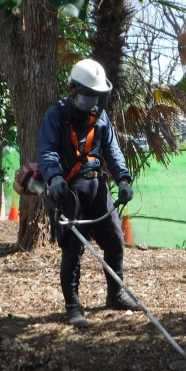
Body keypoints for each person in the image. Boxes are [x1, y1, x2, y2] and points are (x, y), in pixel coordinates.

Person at [37, 58, 140, 328]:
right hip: (70, 191)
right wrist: (55, 177)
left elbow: (113, 151)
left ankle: (115, 294)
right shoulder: (55, 116)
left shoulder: (101, 117)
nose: (91, 102)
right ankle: (72, 306)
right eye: (87, 96)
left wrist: (124, 179)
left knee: (116, 239)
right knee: (73, 249)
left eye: (96, 97)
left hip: (98, 187)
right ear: (72, 89)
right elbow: (47, 151)